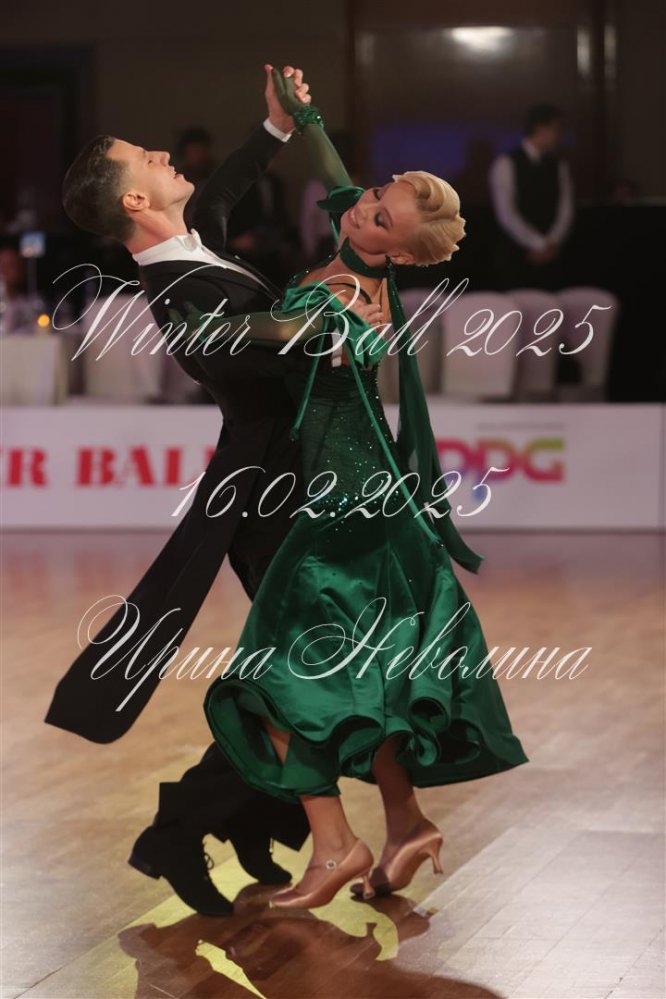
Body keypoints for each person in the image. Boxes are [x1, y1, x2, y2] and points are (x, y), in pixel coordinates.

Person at [177, 72, 529, 910]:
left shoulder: (343, 298)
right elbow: (339, 181)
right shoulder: (364, 254)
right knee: (362, 684)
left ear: (397, 252)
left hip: (344, 519)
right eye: (375, 196)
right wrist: (304, 117)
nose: (362, 208)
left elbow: (265, 327)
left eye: (378, 216)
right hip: (367, 506)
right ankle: (406, 825)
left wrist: (191, 323)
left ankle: (336, 848)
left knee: (275, 683)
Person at [45, 65, 318, 917]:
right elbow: (255, 360)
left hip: (296, 484)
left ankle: (245, 816)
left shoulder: (194, 237)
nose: (165, 154)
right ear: (135, 201)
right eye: (147, 158)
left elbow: (227, 182)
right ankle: (181, 826)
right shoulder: (176, 296)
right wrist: (324, 317)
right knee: (311, 672)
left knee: (306, 674)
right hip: (266, 500)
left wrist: (275, 128)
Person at [488, 103, 574, 290]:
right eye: (557, 128)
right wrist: (538, 243)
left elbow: (566, 209)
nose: (560, 135)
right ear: (540, 128)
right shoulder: (506, 163)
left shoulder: (559, 166)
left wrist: (553, 242)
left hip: (553, 258)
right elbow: (506, 214)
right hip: (516, 257)